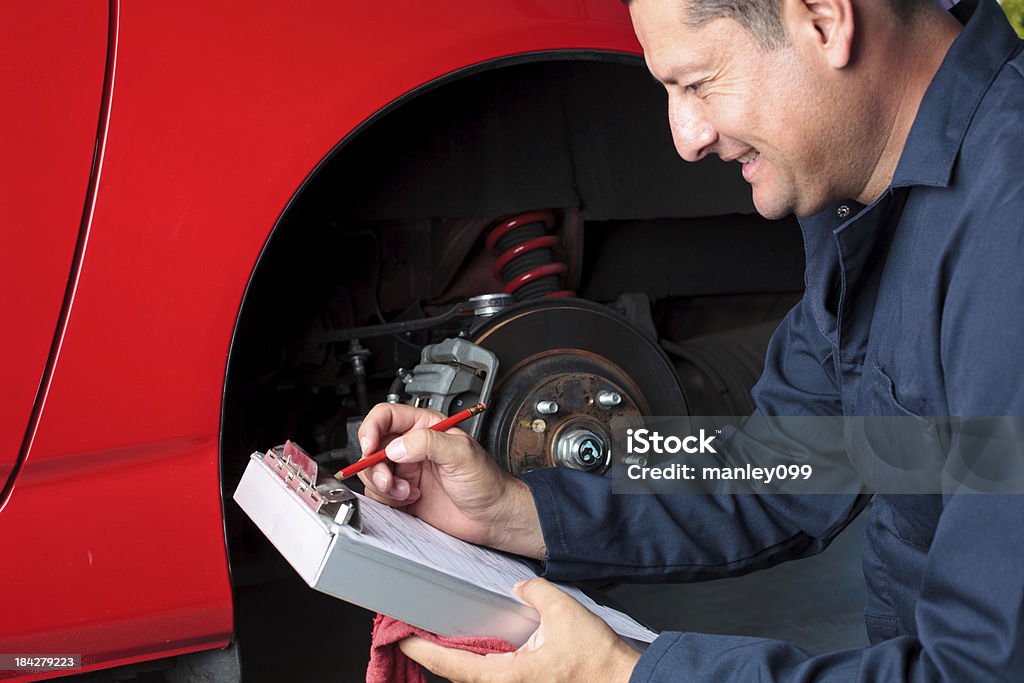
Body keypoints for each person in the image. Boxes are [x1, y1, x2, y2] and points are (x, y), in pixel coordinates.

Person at [357, 0, 1024, 680]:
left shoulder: (1010, 236)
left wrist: (621, 672)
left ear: (824, 19)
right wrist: (513, 510)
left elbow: (979, 670)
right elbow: (786, 462)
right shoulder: (866, 188)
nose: (685, 136)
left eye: (697, 82)